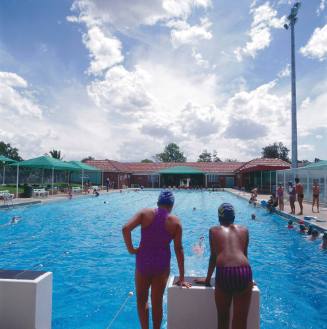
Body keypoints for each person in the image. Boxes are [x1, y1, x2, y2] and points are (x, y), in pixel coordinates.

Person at [122, 190, 191, 329]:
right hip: (161, 265)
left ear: (158, 202)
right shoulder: (176, 222)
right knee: (157, 302)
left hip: (143, 262)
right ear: (171, 205)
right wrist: (182, 276)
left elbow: (125, 229)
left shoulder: (144, 213)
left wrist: (131, 249)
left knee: (142, 301)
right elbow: (179, 249)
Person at [195, 203, 253, 329]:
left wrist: (207, 279)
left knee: (223, 318)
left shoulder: (214, 230)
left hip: (225, 272)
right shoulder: (244, 230)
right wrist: (249, 279)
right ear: (233, 217)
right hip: (244, 271)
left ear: (219, 218)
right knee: (241, 320)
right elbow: (245, 255)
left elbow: (213, 258)